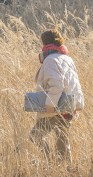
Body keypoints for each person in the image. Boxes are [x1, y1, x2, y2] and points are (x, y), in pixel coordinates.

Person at [29, 29, 85, 164]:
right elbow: (74, 83)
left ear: (44, 43)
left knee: (35, 136)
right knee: (62, 139)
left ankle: (51, 162)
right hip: (69, 104)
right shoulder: (67, 58)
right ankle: (66, 170)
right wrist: (75, 105)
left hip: (55, 106)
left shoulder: (50, 60)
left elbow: (56, 86)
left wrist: (49, 106)